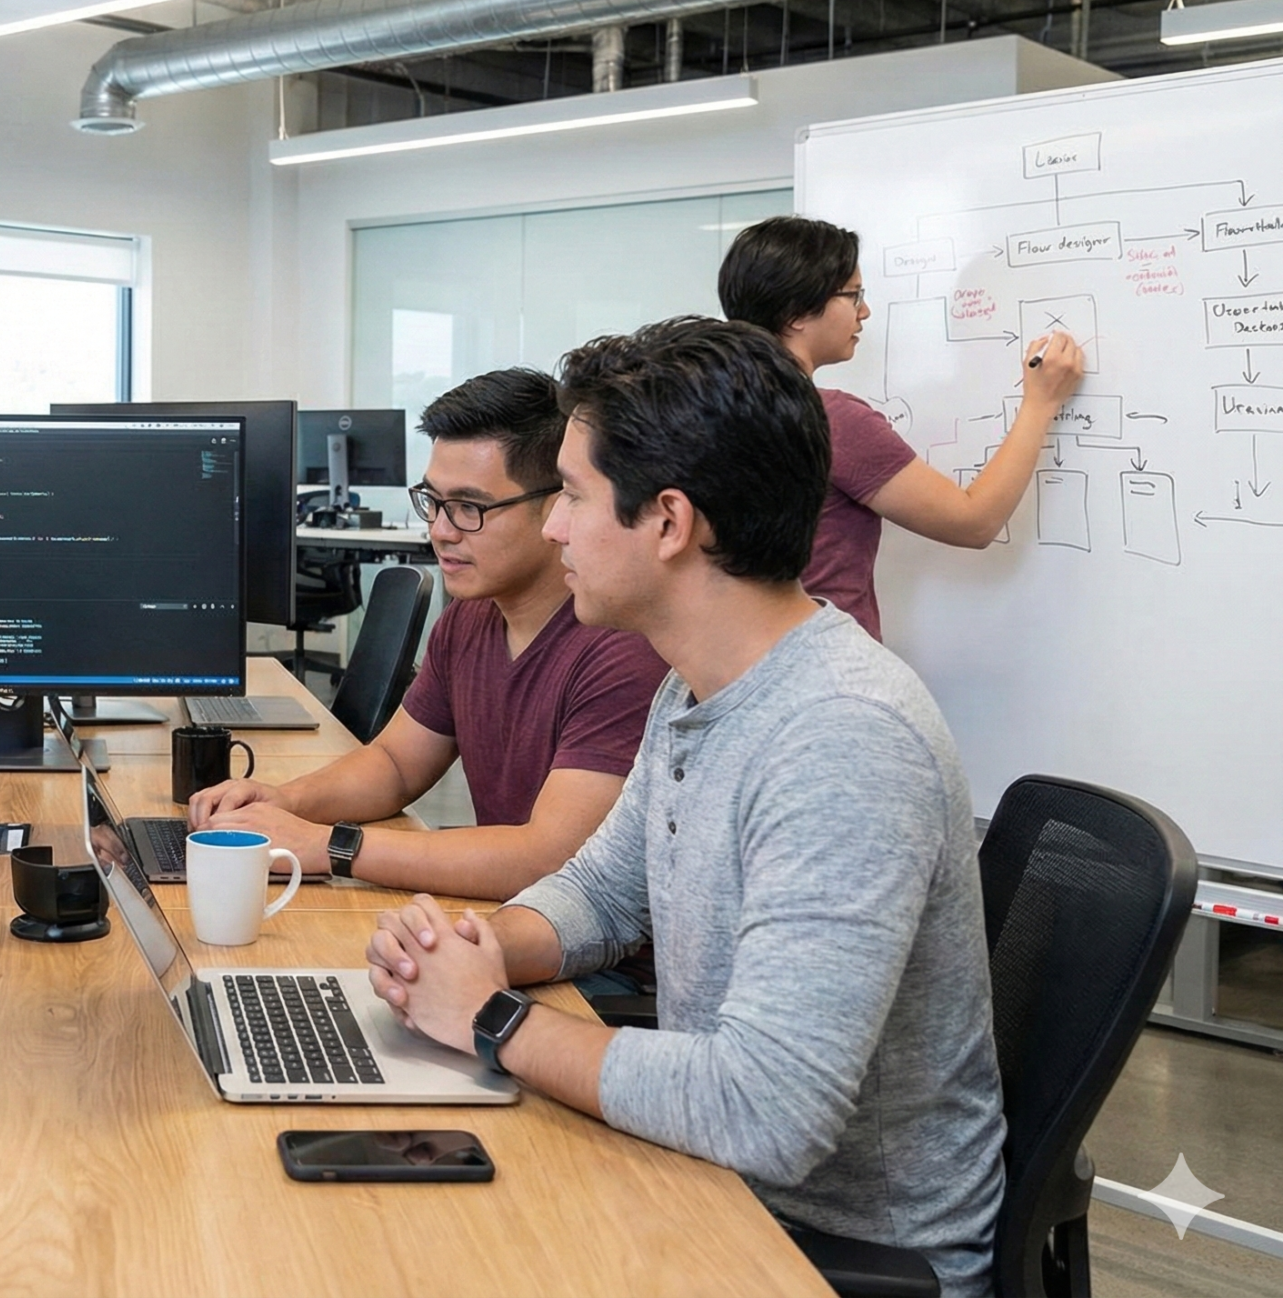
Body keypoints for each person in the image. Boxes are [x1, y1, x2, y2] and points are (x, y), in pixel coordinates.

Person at [364, 318, 1005, 1296]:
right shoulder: (696, 679)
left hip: (820, 1243)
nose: (551, 527)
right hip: (709, 1174)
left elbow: (766, 1110)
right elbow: (606, 892)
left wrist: (491, 1020)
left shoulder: (840, 732)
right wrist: (480, 947)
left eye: (572, 496)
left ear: (667, 522)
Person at [187, 369, 664, 903]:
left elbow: (547, 859)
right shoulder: (469, 618)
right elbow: (394, 765)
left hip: (593, 971)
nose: (440, 529)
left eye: (469, 508)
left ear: (556, 505)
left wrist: (330, 846)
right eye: (433, 501)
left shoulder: (622, 649)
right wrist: (283, 800)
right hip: (499, 913)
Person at [718, 215, 1086, 638]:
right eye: (853, 295)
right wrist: (1040, 403)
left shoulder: (712, 410)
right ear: (797, 312)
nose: (865, 311)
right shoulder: (828, 420)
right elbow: (974, 522)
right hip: (820, 672)